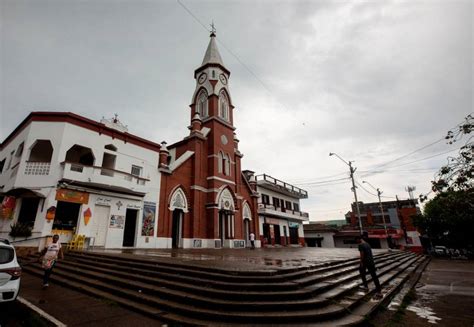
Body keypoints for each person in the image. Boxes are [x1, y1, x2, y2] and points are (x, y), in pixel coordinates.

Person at [357, 231, 382, 298]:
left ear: (359, 239)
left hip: (365, 262)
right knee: (374, 276)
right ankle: (379, 291)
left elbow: (362, 254)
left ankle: (366, 286)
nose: (357, 242)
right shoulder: (367, 244)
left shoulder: (360, 245)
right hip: (371, 261)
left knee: (362, 273)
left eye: (357, 240)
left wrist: (361, 262)